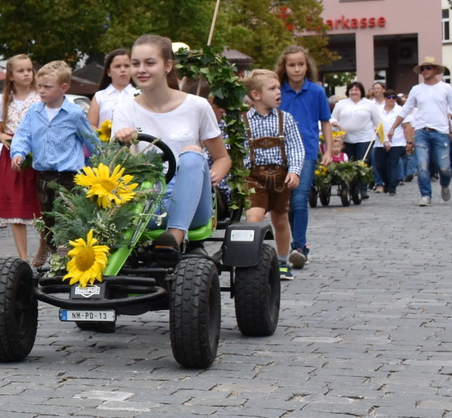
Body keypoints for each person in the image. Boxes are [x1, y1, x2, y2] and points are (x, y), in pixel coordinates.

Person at [111, 36, 231, 250]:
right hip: (146, 201)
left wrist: (211, 174)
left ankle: (173, 240)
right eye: (135, 64)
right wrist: (124, 142)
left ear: (167, 66)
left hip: (191, 202)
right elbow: (119, 167)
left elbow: (222, 158)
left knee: (192, 154)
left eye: (150, 63)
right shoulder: (125, 109)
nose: (141, 70)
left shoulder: (197, 106)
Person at [8, 61, 98, 252]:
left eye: (47, 87)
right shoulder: (34, 112)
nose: (41, 91)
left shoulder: (74, 114)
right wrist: (18, 154)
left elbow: (91, 140)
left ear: (63, 87)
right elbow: (23, 135)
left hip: (70, 176)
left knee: (69, 214)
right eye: (39, 86)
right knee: (48, 217)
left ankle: (69, 250)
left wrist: (98, 162)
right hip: (44, 175)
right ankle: (52, 249)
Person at [239, 69, 304, 281]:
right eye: (272, 88)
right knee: (253, 218)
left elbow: (296, 147)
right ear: (256, 95)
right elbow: (236, 149)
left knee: (281, 220)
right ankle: (252, 261)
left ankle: (283, 262)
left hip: (279, 177)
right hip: (253, 178)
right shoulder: (242, 121)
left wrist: (294, 171)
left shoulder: (285, 119)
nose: (279, 92)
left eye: (279, 88)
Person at [275, 47, 329, 268]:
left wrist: (328, 150)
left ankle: (300, 246)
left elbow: (325, 120)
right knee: (285, 203)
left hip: (306, 151)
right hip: (280, 152)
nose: (297, 69)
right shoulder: (278, 91)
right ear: (284, 68)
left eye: (301, 64)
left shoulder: (316, 91)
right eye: (291, 65)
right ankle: (293, 243)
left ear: (307, 67)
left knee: (300, 199)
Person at [0, 55, 41, 261]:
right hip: (12, 154)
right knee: (16, 206)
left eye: (29, 69)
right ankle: (23, 256)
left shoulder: (39, 96)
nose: (27, 74)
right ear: (11, 76)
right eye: (21, 71)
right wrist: (3, 137)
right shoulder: (3, 99)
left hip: (36, 152)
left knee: (41, 205)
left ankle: (44, 246)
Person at [401, 57, 452, 206]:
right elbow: (405, 109)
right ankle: (425, 195)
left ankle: (445, 184)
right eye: (423, 68)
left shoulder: (445, 88)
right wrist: (392, 127)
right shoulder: (416, 89)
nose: (425, 71)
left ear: (435, 70)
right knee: (422, 165)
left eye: (428, 68)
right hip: (422, 131)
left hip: (440, 132)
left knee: (445, 168)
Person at [330, 82, 382, 198]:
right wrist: (333, 122)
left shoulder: (369, 104)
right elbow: (333, 117)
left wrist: (384, 139)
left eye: (356, 90)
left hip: (365, 138)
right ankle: (351, 186)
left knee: (361, 163)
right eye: (351, 90)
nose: (354, 92)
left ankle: (362, 189)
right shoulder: (341, 104)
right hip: (346, 138)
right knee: (349, 163)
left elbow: (378, 122)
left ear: (361, 91)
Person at [87, 48, 137, 132]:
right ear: (108, 72)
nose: (123, 70)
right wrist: (104, 138)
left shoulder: (139, 94)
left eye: (127, 66)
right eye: (117, 66)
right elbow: (90, 125)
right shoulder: (100, 96)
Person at [377, 94, 410, 195]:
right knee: (380, 166)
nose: (391, 99)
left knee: (393, 165)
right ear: (384, 98)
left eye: (393, 97)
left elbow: (406, 126)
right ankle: (386, 182)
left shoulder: (400, 110)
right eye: (388, 97)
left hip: (397, 141)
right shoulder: (378, 109)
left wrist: (409, 142)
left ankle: (392, 187)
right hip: (379, 142)